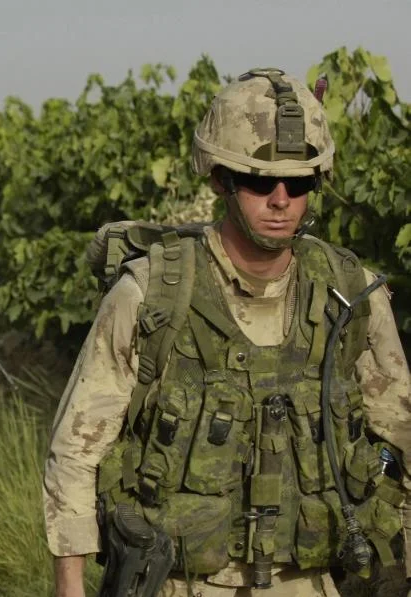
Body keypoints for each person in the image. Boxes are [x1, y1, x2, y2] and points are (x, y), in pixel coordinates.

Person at [44, 68, 411, 597]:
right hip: (181, 580)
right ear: (221, 180)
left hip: (310, 581)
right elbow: (76, 451)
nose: (281, 199)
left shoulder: (349, 295)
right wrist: (69, 585)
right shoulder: (151, 295)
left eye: (300, 182)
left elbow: (401, 436)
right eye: (261, 182)